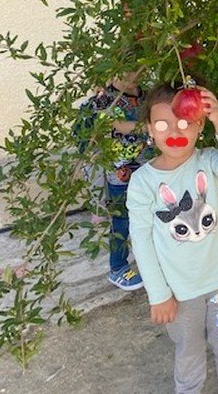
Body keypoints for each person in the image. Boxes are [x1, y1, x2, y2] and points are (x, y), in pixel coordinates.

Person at [127, 83, 218, 394]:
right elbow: (141, 241)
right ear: (149, 130)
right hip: (180, 292)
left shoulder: (207, 161)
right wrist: (158, 294)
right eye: (162, 124)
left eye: (184, 123)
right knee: (189, 353)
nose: (174, 132)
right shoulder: (143, 182)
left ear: (199, 125)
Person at [74, 72, 150, 291]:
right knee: (122, 218)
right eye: (127, 69)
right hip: (118, 169)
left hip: (145, 163)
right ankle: (118, 267)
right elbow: (119, 125)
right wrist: (149, 126)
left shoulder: (144, 93)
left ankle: (150, 260)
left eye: (137, 68)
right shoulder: (104, 98)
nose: (132, 74)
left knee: (148, 212)